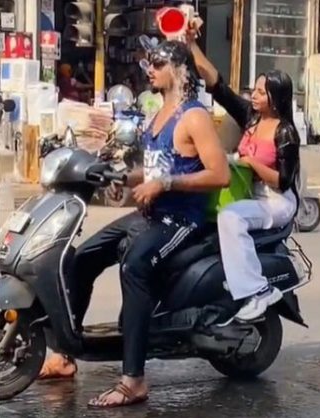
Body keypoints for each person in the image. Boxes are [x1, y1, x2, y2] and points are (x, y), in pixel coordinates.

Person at [81, 40, 229, 408]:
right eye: (149, 62)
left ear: (179, 71)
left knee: (134, 266)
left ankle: (134, 379)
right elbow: (154, 171)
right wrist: (117, 177)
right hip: (149, 214)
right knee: (83, 256)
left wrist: (165, 184)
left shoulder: (194, 116)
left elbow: (220, 174)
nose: (150, 69)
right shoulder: (158, 113)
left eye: (158, 63)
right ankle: (65, 352)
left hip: (180, 218)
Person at [187, 28, 301, 322]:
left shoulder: (285, 132)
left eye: (261, 92)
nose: (254, 95)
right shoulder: (251, 118)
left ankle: (256, 290)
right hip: (249, 194)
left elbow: (284, 181)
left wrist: (251, 163)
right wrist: (190, 44)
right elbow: (217, 86)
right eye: (255, 90)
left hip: (276, 202)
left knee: (231, 218)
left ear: (275, 98)